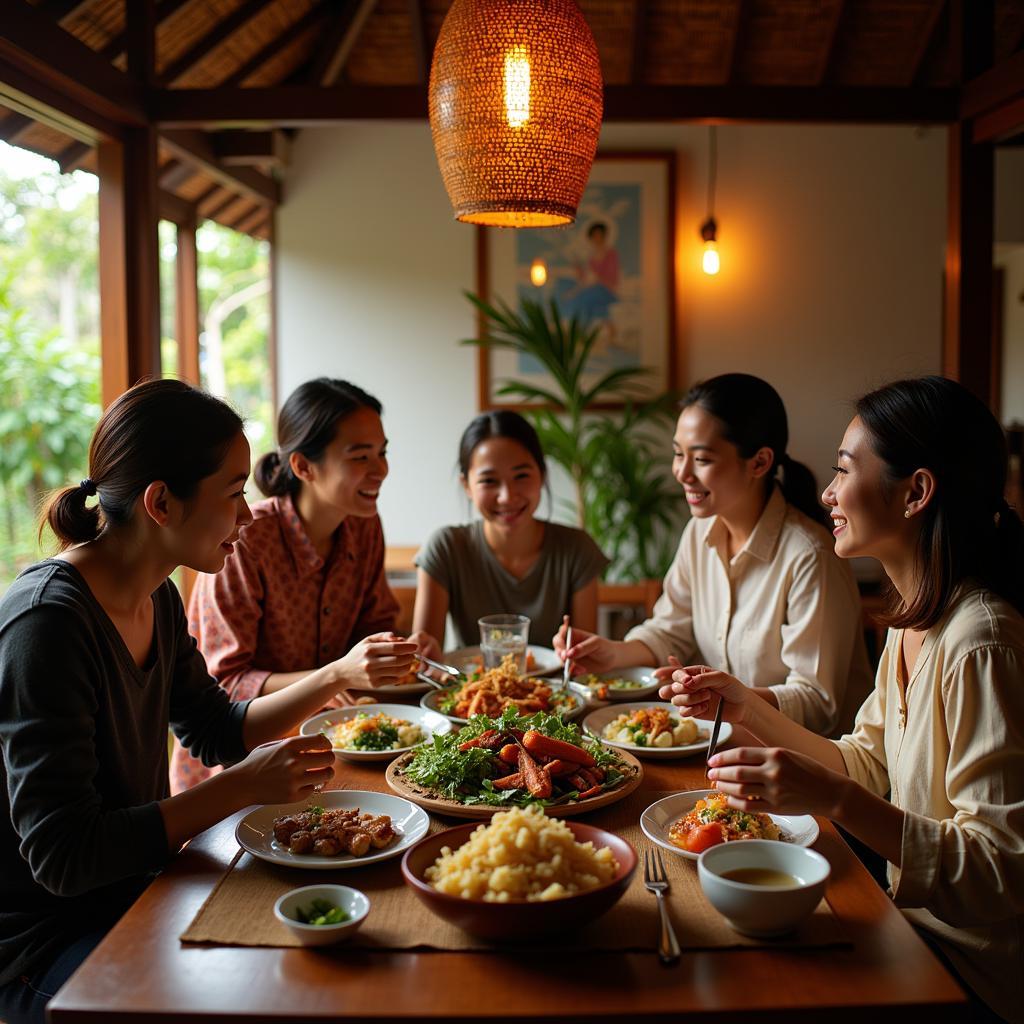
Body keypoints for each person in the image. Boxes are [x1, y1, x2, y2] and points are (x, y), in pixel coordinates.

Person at [0, 379, 416, 1024]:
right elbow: (64, 857)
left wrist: (327, 688)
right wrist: (237, 789)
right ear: (161, 502)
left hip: (137, 892)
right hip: (44, 943)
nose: (248, 515)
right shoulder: (47, 624)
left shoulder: (157, 597)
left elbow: (215, 728)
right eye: (232, 493)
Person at [663, 376, 1024, 1023]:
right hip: (907, 927)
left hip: (969, 972)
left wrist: (834, 799)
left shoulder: (981, 643)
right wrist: (749, 709)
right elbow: (867, 762)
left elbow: (1002, 869)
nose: (826, 492)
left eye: (843, 470)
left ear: (916, 492)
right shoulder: (918, 621)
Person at [556, 373, 873, 737]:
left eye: (702, 459)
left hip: (803, 764)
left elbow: (818, 704)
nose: (682, 473)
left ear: (759, 462)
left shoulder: (810, 556)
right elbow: (670, 629)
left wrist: (723, 700)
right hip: (720, 744)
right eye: (678, 454)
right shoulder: (700, 532)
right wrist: (612, 653)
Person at [171, 377, 418, 793]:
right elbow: (228, 684)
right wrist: (334, 676)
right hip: (239, 771)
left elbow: (373, 629)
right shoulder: (244, 539)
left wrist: (401, 652)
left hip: (338, 747)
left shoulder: (365, 525)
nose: (381, 470)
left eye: (382, 452)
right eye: (360, 457)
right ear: (303, 466)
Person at [413, 411, 608, 658]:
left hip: (557, 694)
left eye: (521, 476)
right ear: (467, 486)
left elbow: (583, 663)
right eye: (489, 481)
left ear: (542, 476)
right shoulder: (445, 548)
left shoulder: (576, 548)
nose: (507, 496)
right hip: (468, 694)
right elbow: (425, 659)